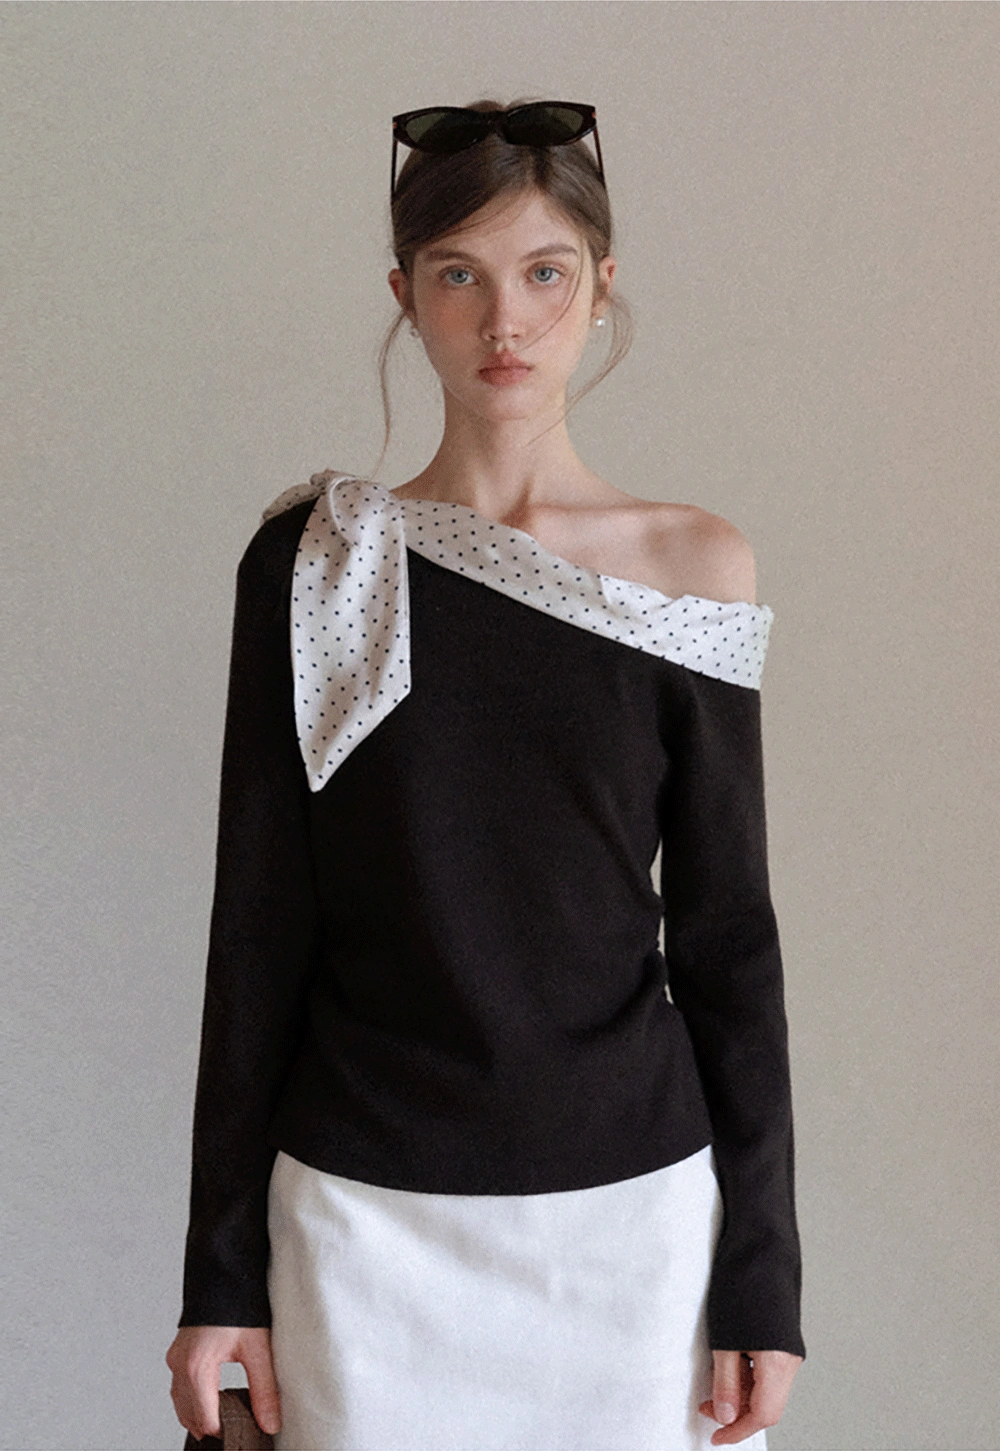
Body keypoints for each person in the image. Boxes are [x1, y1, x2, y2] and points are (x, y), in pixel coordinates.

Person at [166, 97, 805, 1450]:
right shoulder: (318, 562)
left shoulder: (693, 568)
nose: (504, 320)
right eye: (458, 274)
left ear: (601, 286)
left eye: (544, 273)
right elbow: (258, 929)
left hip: (631, 1224)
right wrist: (219, 1275)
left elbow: (729, 944)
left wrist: (764, 1278)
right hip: (361, 1213)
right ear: (405, 295)